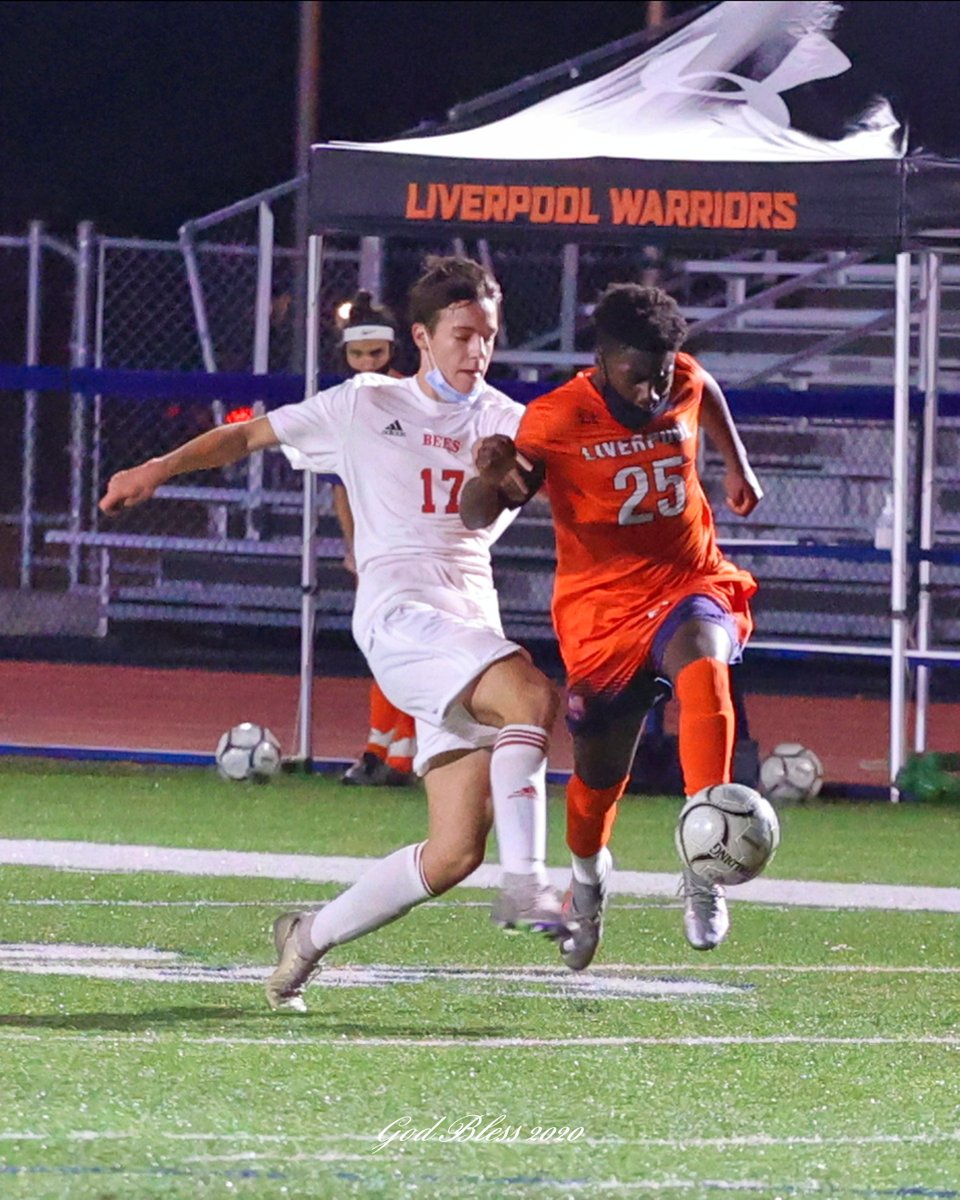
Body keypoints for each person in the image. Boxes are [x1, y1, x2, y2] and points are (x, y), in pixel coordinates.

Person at [99, 255, 569, 1013]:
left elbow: (486, 509)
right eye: (461, 334)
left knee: (452, 853)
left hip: (468, 622)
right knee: (531, 695)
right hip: (399, 614)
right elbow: (246, 436)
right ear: (421, 335)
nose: (477, 350)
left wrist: (505, 475)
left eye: (487, 335)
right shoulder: (364, 402)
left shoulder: (511, 421)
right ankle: (529, 884)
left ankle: (307, 935)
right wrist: (157, 467)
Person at [461, 283, 762, 969]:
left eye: (662, 375)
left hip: (688, 579)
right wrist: (490, 476)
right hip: (602, 612)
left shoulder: (679, 373)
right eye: (639, 376)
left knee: (707, 671)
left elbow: (703, 388)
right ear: (601, 360)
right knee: (597, 782)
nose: (655, 390)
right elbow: (479, 515)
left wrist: (736, 467)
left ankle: (704, 865)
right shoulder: (557, 418)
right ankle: (589, 886)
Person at [330, 290, 417, 787]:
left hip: (415, 541)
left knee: (404, 646)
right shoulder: (342, 406)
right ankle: (382, 749)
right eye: (358, 355)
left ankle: (399, 755)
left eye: (375, 354)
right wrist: (354, 546)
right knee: (381, 645)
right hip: (377, 548)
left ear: (392, 352)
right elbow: (341, 488)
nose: (366, 364)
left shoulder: (413, 397)